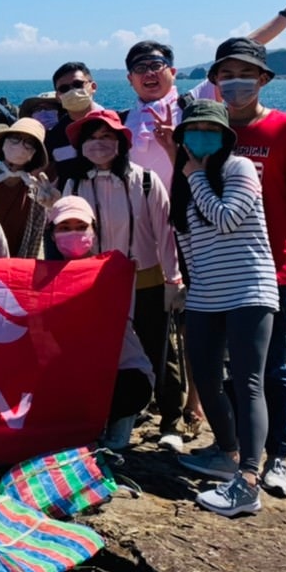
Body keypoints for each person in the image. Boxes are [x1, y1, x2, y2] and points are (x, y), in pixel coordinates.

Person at [211, 36, 286, 499]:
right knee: (228, 365)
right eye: (226, 75)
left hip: (271, 268)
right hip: (218, 267)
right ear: (215, 82)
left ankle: (278, 455)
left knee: (269, 367)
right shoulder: (209, 130)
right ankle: (236, 450)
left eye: (245, 75)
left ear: (263, 79)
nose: (235, 84)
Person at [170, 101, 280, 518]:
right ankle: (226, 452)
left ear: (224, 136)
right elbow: (187, 243)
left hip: (250, 289)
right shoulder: (183, 181)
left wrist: (197, 177)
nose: (201, 136)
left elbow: (227, 219)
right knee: (205, 377)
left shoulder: (239, 169)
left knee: (248, 381)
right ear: (182, 137)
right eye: (192, 129)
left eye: (209, 129)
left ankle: (249, 481)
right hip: (206, 295)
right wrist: (188, 289)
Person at [121, 0, 286, 193]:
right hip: (141, 222)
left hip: (189, 219)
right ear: (130, 79)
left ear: (173, 72)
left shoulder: (191, 105)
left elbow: (240, 52)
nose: (149, 73)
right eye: (140, 68)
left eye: (157, 65)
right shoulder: (121, 121)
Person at [60, 109, 185, 443]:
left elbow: (165, 232)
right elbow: (69, 232)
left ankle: (172, 419)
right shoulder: (74, 182)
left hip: (144, 276)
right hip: (97, 280)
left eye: (107, 137)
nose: (99, 145)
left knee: (159, 348)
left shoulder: (145, 180)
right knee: (103, 348)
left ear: (121, 142)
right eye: (92, 139)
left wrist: (174, 280)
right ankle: (113, 411)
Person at [47, 196, 156, 450]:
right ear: (52, 234)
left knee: (124, 391)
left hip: (122, 374)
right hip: (74, 373)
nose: (73, 234)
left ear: (94, 231)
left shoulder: (114, 270)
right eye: (64, 228)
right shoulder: (44, 277)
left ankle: (118, 421)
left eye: (80, 227)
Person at [0, 117, 56, 258]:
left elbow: (35, 237)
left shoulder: (37, 191)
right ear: (3, 143)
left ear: (34, 153)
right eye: (15, 138)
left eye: (28, 143)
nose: (20, 145)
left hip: (14, 264)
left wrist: (53, 207)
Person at [44, 63, 101, 184]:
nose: (72, 91)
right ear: (58, 97)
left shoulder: (118, 124)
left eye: (78, 85)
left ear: (93, 86)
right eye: (64, 89)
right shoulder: (53, 136)